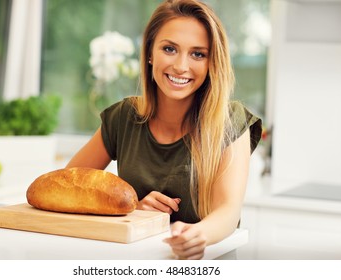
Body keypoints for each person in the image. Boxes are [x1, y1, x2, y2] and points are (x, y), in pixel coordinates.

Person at [67, 0, 262, 259]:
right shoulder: (123, 117)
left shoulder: (231, 121)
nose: (181, 66)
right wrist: (133, 209)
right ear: (150, 53)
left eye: (198, 54)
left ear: (212, 62)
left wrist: (196, 236)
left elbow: (228, 212)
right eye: (169, 49)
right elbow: (69, 187)